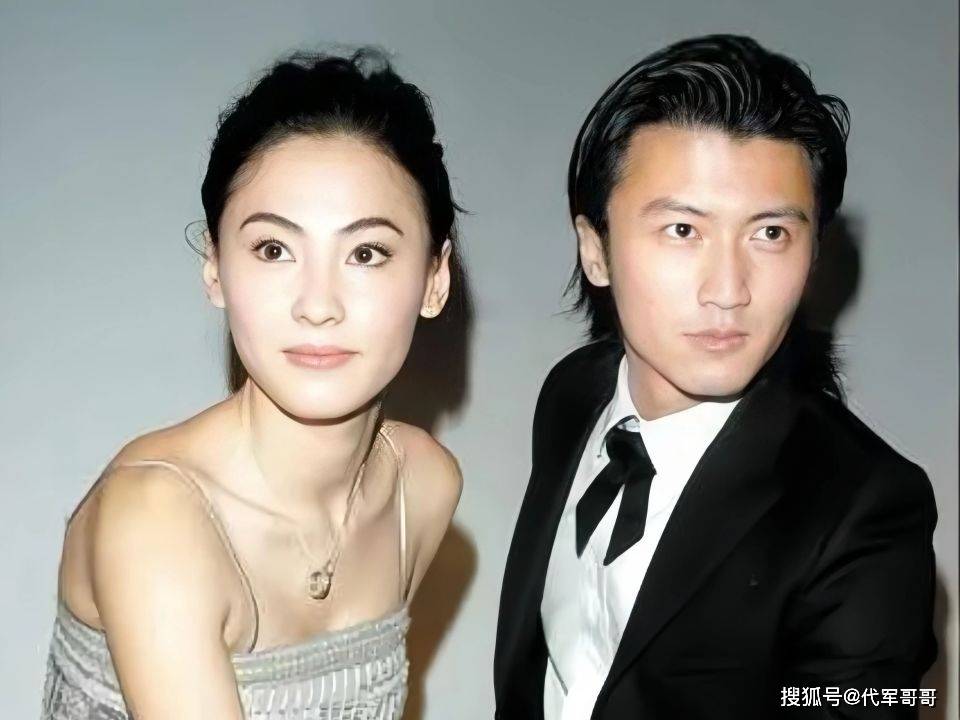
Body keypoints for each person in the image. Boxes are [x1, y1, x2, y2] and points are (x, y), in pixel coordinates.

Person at [494, 34, 938, 720]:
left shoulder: (869, 509)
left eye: (770, 234)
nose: (729, 290)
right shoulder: (573, 394)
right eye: (682, 230)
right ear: (595, 249)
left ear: (814, 252)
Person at [41, 48, 463, 720]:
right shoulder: (156, 516)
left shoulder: (424, 487)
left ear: (435, 279)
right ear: (214, 268)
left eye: (365, 253)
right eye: (274, 249)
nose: (317, 304)